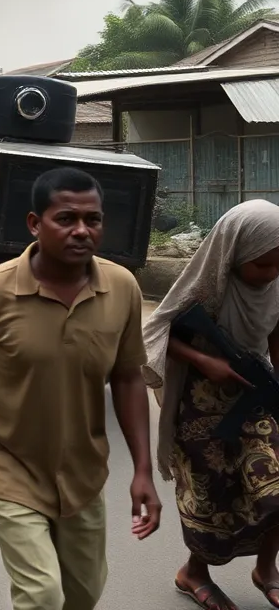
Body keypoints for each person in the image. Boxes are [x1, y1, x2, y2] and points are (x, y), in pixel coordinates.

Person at [0, 167, 161, 610]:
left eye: (92, 219)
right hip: (4, 458)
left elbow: (128, 375)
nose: (82, 230)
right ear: (34, 225)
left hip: (81, 466)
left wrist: (142, 469)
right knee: (41, 594)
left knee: (82, 593)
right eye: (66, 219)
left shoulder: (122, 288)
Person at [140, 200, 279, 610]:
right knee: (211, 497)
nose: (271, 274)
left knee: (275, 494)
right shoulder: (207, 284)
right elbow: (156, 330)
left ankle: (266, 569)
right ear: (233, 254)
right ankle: (193, 574)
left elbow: (275, 340)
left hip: (256, 399)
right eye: (262, 266)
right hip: (199, 406)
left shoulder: (276, 284)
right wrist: (204, 360)